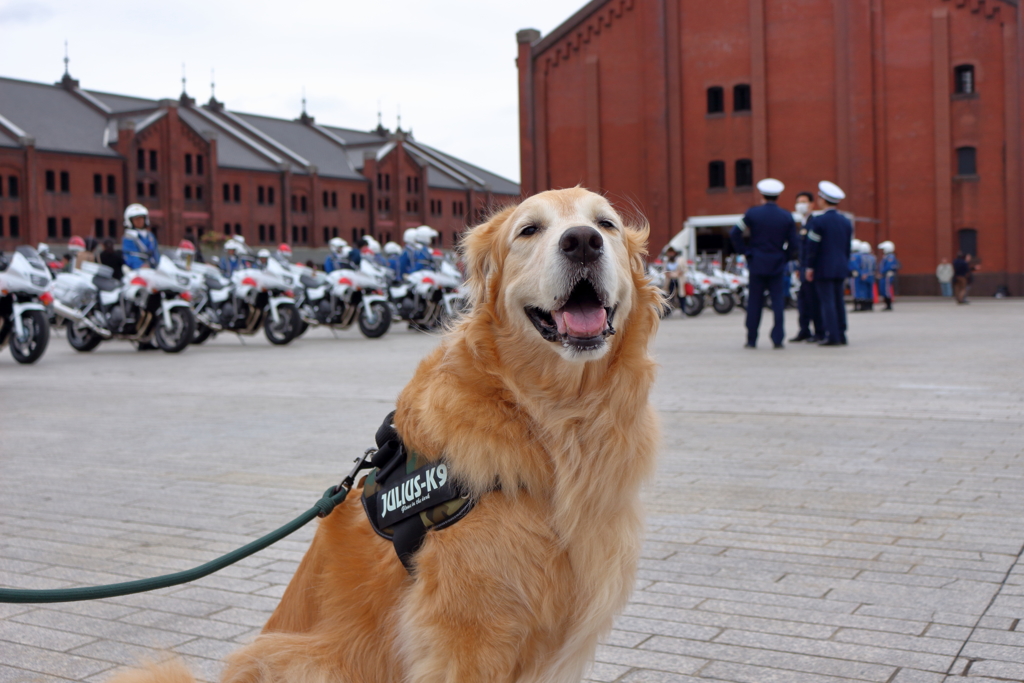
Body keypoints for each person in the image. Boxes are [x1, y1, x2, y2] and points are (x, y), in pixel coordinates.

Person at [729, 178, 797, 349]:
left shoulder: (752, 214)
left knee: (754, 303)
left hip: (757, 263)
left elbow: (734, 232)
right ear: (778, 196)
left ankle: (752, 339)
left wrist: (745, 252)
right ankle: (778, 339)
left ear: (762, 195)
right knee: (778, 303)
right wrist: (784, 256)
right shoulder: (786, 216)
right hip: (777, 264)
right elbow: (795, 244)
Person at [805, 180, 853, 346]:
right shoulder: (846, 222)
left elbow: (813, 247)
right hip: (840, 266)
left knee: (827, 302)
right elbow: (847, 247)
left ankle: (832, 335)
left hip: (823, 267)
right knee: (839, 301)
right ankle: (841, 333)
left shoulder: (818, 222)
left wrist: (810, 266)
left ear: (823, 200)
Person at [791, 191, 823, 342]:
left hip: (812, 270)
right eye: (798, 201)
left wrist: (809, 267)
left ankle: (819, 331)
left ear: (811, 204)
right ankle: (804, 330)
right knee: (803, 301)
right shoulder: (802, 223)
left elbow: (813, 249)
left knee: (813, 301)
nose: (800, 205)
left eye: (803, 201)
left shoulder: (814, 223)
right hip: (802, 269)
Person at [121, 204, 160, 270]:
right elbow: (130, 255)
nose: (139, 221)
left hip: (153, 268)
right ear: (130, 221)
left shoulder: (150, 235)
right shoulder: (129, 237)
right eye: (136, 219)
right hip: (137, 270)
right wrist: (140, 265)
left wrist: (158, 264)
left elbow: (156, 252)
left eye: (141, 218)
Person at [852, 242, 876, 312]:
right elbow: (874, 267)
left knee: (861, 291)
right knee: (869, 291)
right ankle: (869, 306)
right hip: (871, 275)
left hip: (863, 275)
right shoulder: (872, 257)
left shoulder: (860, 256)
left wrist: (862, 273)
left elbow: (858, 266)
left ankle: (862, 306)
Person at [877, 241, 900, 310]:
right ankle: (886, 304)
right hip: (884, 276)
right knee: (883, 290)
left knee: (886, 290)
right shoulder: (887, 256)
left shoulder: (890, 257)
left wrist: (881, 272)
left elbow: (888, 266)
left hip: (886, 276)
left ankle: (888, 305)